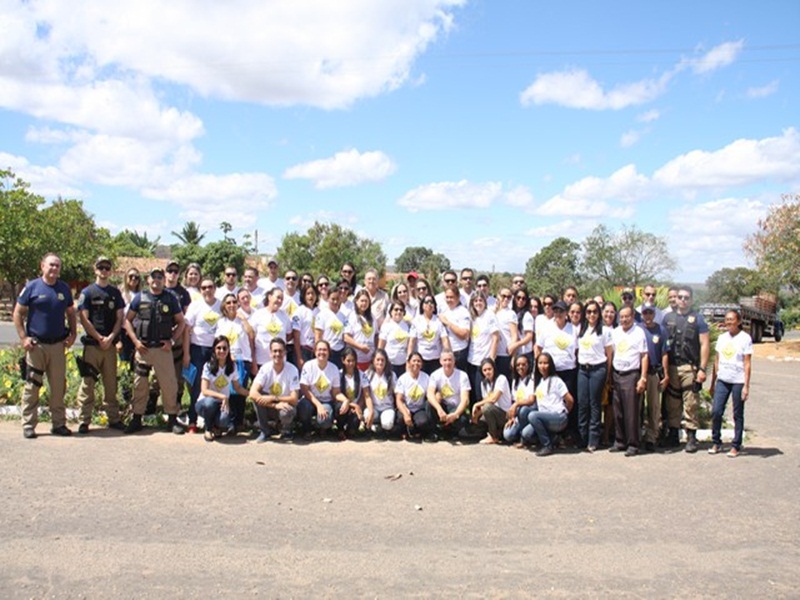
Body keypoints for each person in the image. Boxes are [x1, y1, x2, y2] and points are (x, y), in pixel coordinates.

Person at [13, 253, 77, 438]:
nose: (54, 269)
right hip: (36, 346)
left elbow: (71, 313)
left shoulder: (64, 288)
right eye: (51, 265)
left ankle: (58, 424)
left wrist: (73, 334)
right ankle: (28, 424)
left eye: (57, 266)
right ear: (42, 266)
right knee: (32, 386)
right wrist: (23, 338)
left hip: (57, 346)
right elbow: (18, 313)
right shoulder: (32, 287)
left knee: (58, 387)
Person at [123, 267, 186, 434]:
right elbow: (127, 321)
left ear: (164, 280)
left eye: (160, 276)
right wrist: (135, 342)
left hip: (163, 350)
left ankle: (171, 420)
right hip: (143, 349)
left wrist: (172, 341)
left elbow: (181, 322)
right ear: (148, 280)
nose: (157, 279)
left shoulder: (170, 299)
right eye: (154, 277)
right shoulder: (139, 298)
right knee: (140, 385)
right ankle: (137, 418)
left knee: (169, 385)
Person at [75, 256, 126, 434]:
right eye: (101, 267)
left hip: (110, 346)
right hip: (92, 346)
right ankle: (84, 421)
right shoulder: (87, 292)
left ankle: (113, 419)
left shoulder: (115, 293)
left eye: (107, 267)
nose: (104, 270)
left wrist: (111, 338)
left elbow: (120, 318)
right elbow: (84, 318)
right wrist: (99, 338)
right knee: (88, 384)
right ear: (95, 269)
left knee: (111, 385)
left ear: (110, 271)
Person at [663, 285, 710, 453]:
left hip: (689, 367)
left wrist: (702, 369)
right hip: (672, 367)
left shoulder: (698, 319)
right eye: (680, 297)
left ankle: (691, 438)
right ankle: (673, 435)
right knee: (673, 403)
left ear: (691, 300)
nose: (682, 300)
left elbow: (704, 344)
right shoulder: (668, 318)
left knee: (691, 403)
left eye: (686, 298)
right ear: (675, 298)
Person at [709, 310, 753, 458]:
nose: (729, 322)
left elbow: (747, 363)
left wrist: (746, 386)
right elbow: (717, 361)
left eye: (732, 319)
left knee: (737, 414)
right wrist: (713, 383)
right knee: (716, 411)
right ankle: (716, 442)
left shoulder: (745, 338)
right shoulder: (722, 338)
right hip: (722, 379)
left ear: (739, 321)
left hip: (738, 381)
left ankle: (736, 445)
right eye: (727, 319)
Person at [182, 277, 222, 432]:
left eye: (210, 286)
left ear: (215, 288)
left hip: (216, 351)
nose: (207, 290)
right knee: (197, 386)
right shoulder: (195, 305)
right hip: (198, 349)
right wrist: (186, 353)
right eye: (204, 287)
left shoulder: (221, 305)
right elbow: (186, 329)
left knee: (217, 384)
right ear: (200, 290)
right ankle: (192, 420)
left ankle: (213, 421)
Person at [535, 300, 578, 439]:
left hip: (568, 370)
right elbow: (538, 347)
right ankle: (552, 433)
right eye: (556, 311)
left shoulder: (573, 329)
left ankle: (567, 432)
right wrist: (540, 364)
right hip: (551, 371)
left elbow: (577, 350)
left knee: (568, 401)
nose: (558, 314)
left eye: (561, 311)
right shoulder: (547, 328)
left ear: (567, 313)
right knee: (551, 401)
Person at [609, 306, 648, 456]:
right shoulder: (616, 332)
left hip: (631, 375)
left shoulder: (639, 333)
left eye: (627, 316)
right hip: (617, 374)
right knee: (617, 411)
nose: (624, 319)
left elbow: (644, 356)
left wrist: (643, 378)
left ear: (632, 317)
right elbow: (612, 353)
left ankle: (633, 444)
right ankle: (620, 441)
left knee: (631, 412)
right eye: (622, 317)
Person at [195, 335, 249, 441]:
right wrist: (223, 396)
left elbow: (237, 388)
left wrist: (251, 394)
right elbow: (204, 390)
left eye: (225, 348)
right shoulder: (208, 366)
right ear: (214, 350)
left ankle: (216, 426)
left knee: (224, 420)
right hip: (204, 403)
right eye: (219, 348)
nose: (222, 351)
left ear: (228, 350)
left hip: (221, 405)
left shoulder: (232, 367)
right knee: (210, 403)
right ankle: (208, 429)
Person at [520, 352, 574, 457]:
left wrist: (565, 412)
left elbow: (570, 400)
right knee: (526, 433)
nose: (543, 366)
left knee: (533, 415)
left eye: (546, 363)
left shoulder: (556, 380)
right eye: (540, 363)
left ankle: (547, 445)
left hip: (558, 417)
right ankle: (554, 438)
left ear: (550, 365)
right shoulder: (539, 382)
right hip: (544, 417)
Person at [576, 300, 612, 452]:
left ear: (599, 314)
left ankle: (593, 440)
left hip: (598, 370)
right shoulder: (581, 330)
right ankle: (582, 438)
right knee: (582, 404)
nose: (592, 314)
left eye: (595, 312)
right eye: (589, 311)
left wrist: (608, 374)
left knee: (594, 404)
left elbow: (609, 354)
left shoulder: (604, 331)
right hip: (583, 370)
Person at [216, 292, 256, 430]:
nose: (232, 305)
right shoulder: (221, 322)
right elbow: (218, 342)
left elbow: (251, 335)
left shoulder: (244, 319)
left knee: (240, 391)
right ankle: (230, 421)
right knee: (230, 391)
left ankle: (239, 421)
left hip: (242, 360)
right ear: (224, 306)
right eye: (228, 303)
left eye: (234, 302)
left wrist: (244, 319)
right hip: (227, 361)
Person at [249, 338, 300, 442]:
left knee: (286, 412)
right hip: (270, 406)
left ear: (285, 352)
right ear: (270, 353)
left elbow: (294, 399)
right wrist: (275, 405)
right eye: (275, 351)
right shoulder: (265, 368)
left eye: (280, 351)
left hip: (286, 405)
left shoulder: (292, 369)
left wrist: (273, 398)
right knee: (258, 397)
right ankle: (265, 432)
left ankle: (286, 430)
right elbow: (252, 393)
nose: (277, 354)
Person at [639, 302, 670, 452]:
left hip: (653, 372)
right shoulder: (637, 329)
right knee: (637, 407)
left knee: (654, 407)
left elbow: (664, 353)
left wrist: (666, 374)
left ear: (654, 314)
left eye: (650, 313)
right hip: (638, 373)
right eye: (645, 313)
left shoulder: (661, 330)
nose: (648, 316)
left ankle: (651, 437)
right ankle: (637, 435)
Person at [298, 340, 341, 438]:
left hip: (326, 401)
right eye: (319, 349)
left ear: (329, 352)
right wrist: (318, 405)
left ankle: (322, 429)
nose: (322, 352)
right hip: (310, 400)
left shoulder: (334, 368)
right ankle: (307, 429)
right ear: (315, 351)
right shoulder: (308, 366)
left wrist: (346, 400)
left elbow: (336, 392)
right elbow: (304, 388)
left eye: (325, 350)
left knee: (325, 420)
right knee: (303, 407)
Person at [252, 287, 302, 368]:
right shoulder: (258, 314)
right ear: (270, 297)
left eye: (281, 299)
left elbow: (289, 335)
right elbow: (251, 336)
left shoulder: (284, 316)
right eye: (278, 297)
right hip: (261, 361)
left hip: (279, 362)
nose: (279, 301)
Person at [427, 350, 470, 439]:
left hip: (455, 407)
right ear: (440, 361)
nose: (447, 362)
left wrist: (456, 414)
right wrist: (439, 409)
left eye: (450, 360)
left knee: (462, 418)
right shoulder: (435, 375)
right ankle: (435, 432)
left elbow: (465, 399)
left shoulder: (463, 375)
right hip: (443, 406)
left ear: (454, 361)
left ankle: (452, 432)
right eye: (445, 360)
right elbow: (430, 394)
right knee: (429, 404)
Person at [466, 291, 500, 404]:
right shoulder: (472, 317)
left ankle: (482, 419)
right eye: (475, 301)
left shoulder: (489, 315)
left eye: (480, 300)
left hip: (484, 360)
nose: (478, 303)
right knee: (473, 392)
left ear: (485, 302)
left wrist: (491, 359)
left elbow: (496, 338)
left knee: (482, 393)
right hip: (472, 359)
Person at [471, 358, 512, 444]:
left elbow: (493, 399)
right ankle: (498, 432)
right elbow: (485, 400)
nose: (487, 372)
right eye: (484, 370)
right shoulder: (483, 383)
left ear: (494, 369)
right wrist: (475, 416)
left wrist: (476, 404)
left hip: (504, 414)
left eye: (489, 369)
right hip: (493, 413)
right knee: (477, 419)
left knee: (487, 408)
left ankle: (493, 436)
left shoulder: (501, 379)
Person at [409, 293, 451, 374]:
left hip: (436, 360)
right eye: (426, 302)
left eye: (432, 302)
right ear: (422, 306)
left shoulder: (439, 321)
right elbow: (412, 342)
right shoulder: (417, 321)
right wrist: (409, 359)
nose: (429, 304)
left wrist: (447, 357)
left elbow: (445, 341)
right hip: (421, 361)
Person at [395, 352, 433, 441]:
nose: (416, 363)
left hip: (419, 409)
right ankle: (404, 431)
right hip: (406, 407)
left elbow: (430, 394)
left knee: (422, 422)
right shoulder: (403, 378)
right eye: (414, 361)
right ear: (408, 363)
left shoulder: (426, 377)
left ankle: (416, 431)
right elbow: (399, 399)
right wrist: (405, 413)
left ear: (422, 364)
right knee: (401, 418)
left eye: (419, 361)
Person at [334, 347, 368, 439]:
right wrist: (353, 405)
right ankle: (340, 429)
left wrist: (359, 406)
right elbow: (336, 394)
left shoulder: (362, 375)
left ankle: (350, 429)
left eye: (353, 361)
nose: (351, 363)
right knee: (339, 407)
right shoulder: (338, 374)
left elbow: (364, 394)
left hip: (355, 406)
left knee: (353, 430)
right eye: (348, 361)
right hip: (344, 405)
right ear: (343, 360)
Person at [502, 354, 536, 445]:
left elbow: (531, 400)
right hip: (519, 415)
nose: (520, 367)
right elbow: (513, 400)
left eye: (523, 364)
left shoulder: (532, 379)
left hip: (530, 412)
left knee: (523, 410)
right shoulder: (515, 381)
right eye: (518, 365)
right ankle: (522, 433)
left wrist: (516, 404)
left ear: (529, 365)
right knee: (507, 435)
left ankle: (523, 438)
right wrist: (511, 417)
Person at [363, 349, 397, 436]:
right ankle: (374, 425)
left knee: (387, 424)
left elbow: (396, 394)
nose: (380, 362)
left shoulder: (391, 375)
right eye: (378, 360)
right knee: (367, 414)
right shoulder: (367, 374)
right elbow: (366, 395)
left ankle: (380, 427)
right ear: (373, 361)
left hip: (387, 407)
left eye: (382, 360)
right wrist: (371, 411)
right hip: (374, 407)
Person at [438, 285, 471, 373]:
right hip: (446, 353)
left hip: (459, 353)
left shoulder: (463, 312)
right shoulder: (444, 311)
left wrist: (447, 323)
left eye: (451, 297)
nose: (449, 300)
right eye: (447, 297)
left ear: (458, 297)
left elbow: (464, 334)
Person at [314, 288, 348, 367]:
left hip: (341, 351)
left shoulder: (343, 316)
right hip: (328, 352)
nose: (335, 302)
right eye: (333, 299)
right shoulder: (322, 315)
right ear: (328, 298)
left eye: (337, 299)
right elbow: (318, 337)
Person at [344, 289, 376, 371]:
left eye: (366, 301)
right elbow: (346, 337)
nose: (364, 303)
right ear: (356, 301)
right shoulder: (351, 316)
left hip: (369, 361)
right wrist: (360, 347)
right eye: (362, 301)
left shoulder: (372, 317)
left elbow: (376, 335)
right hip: (356, 360)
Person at [378, 300, 412, 377]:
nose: (398, 312)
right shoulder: (386, 326)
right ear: (391, 312)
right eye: (396, 309)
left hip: (404, 364)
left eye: (401, 310)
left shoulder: (407, 326)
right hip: (389, 364)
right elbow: (380, 347)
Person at [493, 287, 518, 381]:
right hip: (493, 354)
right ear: (498, 296)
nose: (506, 299)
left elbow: (514, 335)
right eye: (504, 296)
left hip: (505, 355)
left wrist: (513, 356)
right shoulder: (492, 312)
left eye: (509, 297)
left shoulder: (511, 314)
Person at [296, 284, 320, 363]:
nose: (311, 296)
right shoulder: (299, 311)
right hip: (304, 349)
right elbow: (296, 336)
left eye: (313, 293)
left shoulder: (319, 312)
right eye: (308, 293)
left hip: (316, 350)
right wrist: (299, 357)